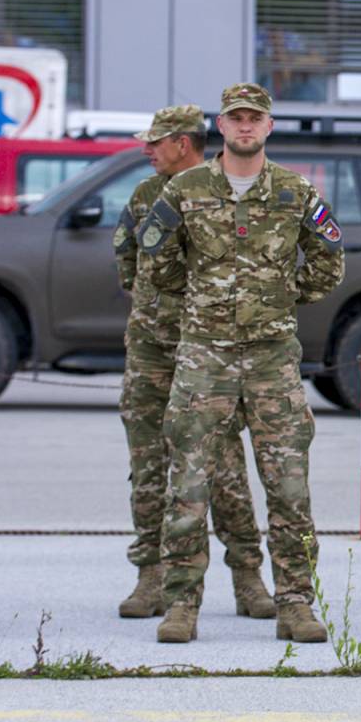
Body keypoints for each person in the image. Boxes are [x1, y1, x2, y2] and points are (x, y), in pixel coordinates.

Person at [136, 83, 345, 643]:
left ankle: (296, 604)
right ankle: (181, 605)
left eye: (255, 118)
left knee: (289, 488)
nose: (246, 126)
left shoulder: (295, 191)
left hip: (272, 358)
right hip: (204, 356)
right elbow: (156, 259)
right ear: (221, 126)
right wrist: (202, 299)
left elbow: (329, 258)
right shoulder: (186, 189)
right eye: (236, 118)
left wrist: (282, 296)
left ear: (269, 126)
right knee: (188, 485)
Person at [113, 105, 273, 621]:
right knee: (149, 467)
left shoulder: (223, 192)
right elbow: (128, 262)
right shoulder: (145, 197)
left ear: (183, 143)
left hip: (208, 352)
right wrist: (157, 312)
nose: (147, 150)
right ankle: (151, 577)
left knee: (224, 469)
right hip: (152, 353)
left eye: (155, 141)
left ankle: (248, 576)